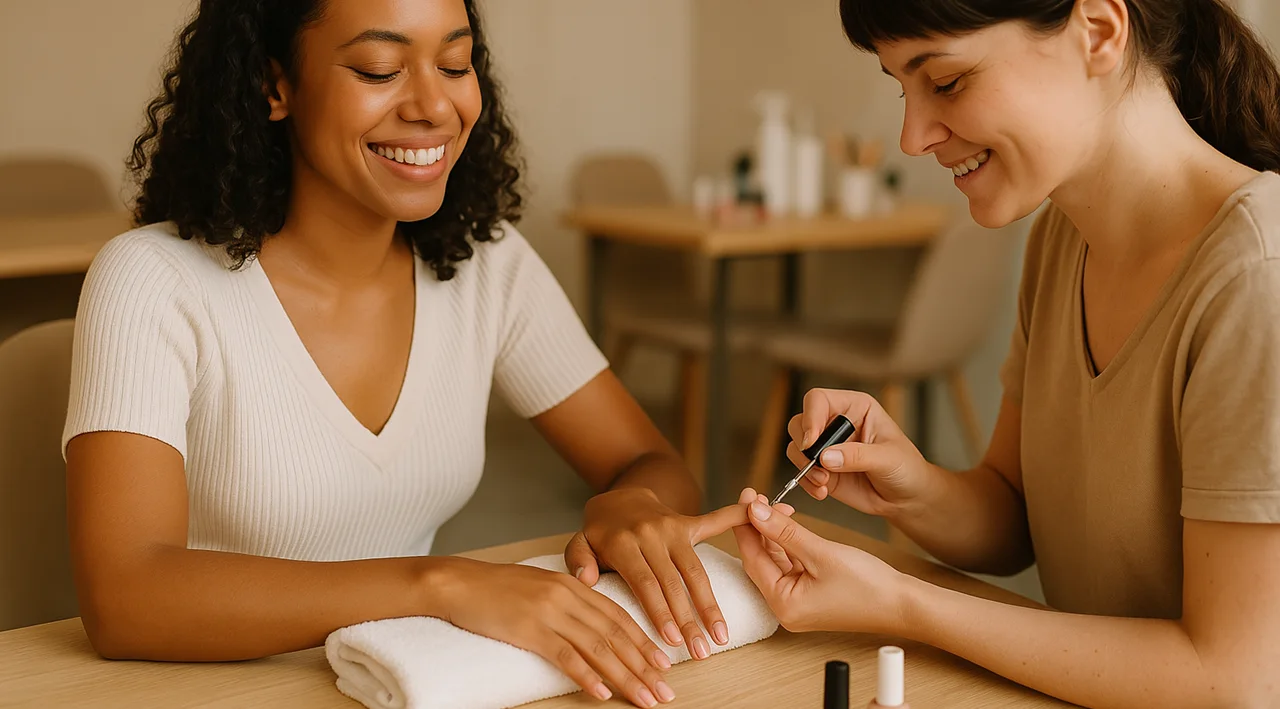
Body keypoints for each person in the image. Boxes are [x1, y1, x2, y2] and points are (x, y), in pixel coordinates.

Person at [62, 1, 741, 706]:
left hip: (391, 682)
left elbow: (651, 462)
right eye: (379, 68)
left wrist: (632, 502)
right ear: (274, 86)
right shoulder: (151, 279)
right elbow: (125, 595)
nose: (434, 105)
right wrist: (438, 584)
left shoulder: (486, 263)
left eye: (454, 63)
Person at [733, 0, 1280, 706]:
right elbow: (1013, 513)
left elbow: (1235, 678)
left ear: (1100, 31)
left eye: (947, 82)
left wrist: (904, 604)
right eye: (904, 87)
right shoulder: (1062, 239)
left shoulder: (1255, 277)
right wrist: (911, 486)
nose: (911, 135)